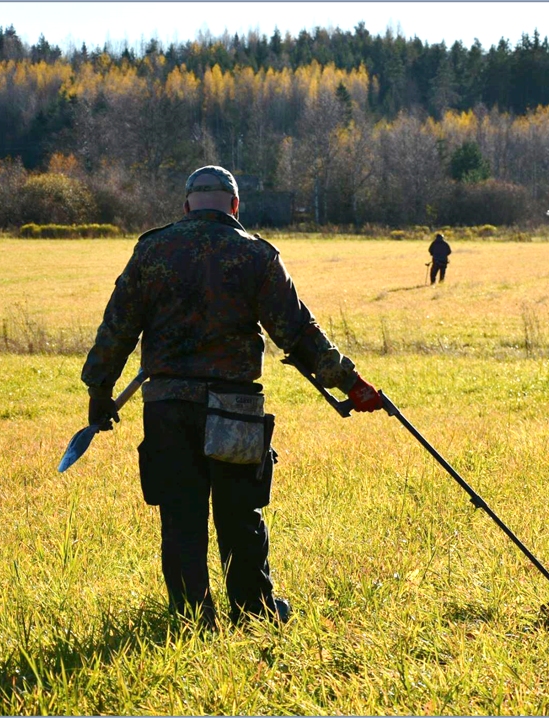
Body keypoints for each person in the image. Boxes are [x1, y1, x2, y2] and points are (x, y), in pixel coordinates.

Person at [80, 165, 383, 629]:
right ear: (236, 206)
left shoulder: (152, 250)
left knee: (181, 517)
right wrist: (351, 384)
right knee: (240, 513)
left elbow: (117, 327)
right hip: (234, 408)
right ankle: (254, 611)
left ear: (186, 205)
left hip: (167, 407)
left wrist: (100, 390)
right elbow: (298, 333)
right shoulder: (256, 255)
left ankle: (192, 618)